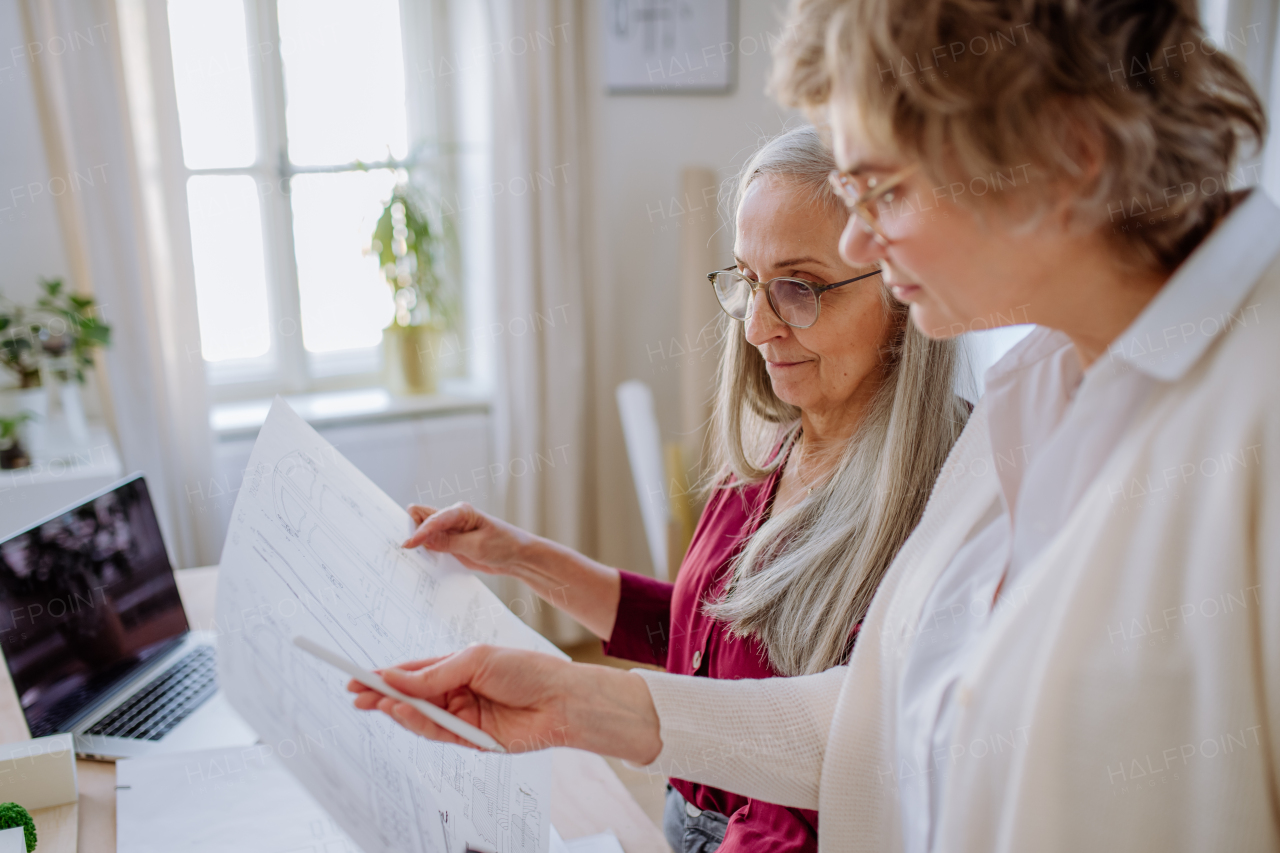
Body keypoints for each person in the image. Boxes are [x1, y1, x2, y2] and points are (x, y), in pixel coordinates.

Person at [352, 0, 1279, 849]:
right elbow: (871, 720)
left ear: (1067, 154)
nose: (862, 243)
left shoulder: (1252, 418)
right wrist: (573, 698)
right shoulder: (1035, 391)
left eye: (884, 190)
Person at [391, 125, 968, 853]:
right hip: (684, 814)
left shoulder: (935, 509)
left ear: (901, 291)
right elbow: (701, 635)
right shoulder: (784, 437)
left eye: (798, 288)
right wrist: (516, 554)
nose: (758, 327)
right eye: (748, 282)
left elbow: (824, 782)